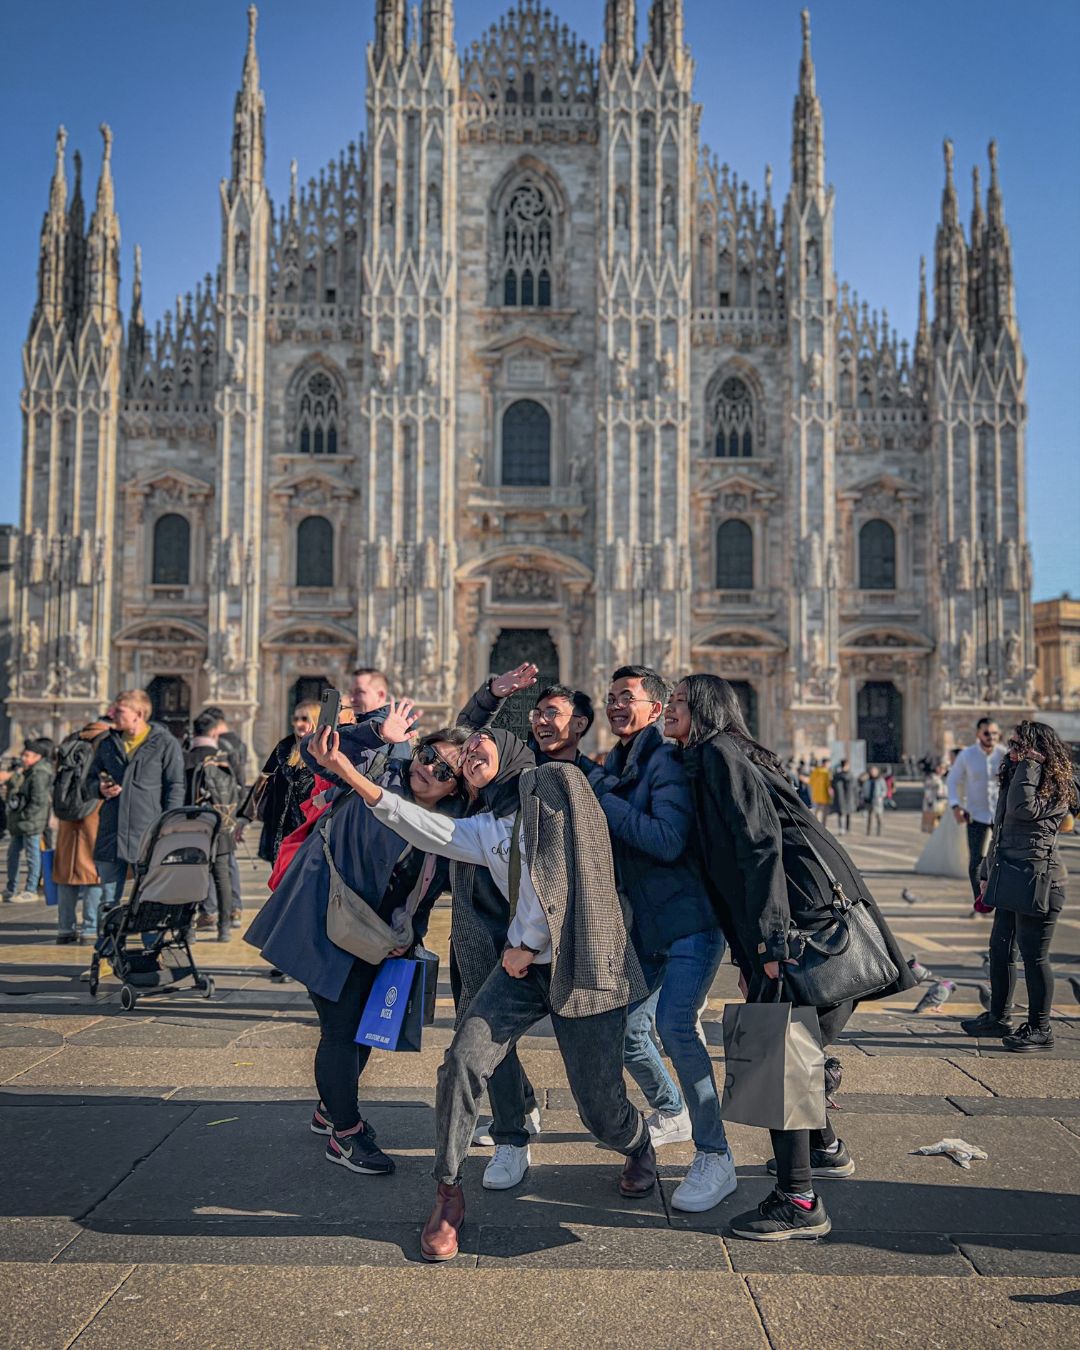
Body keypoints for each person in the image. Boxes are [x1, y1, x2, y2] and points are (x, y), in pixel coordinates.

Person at [312, 723, 654, 1263]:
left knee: (599, 1108)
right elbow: (423, 826)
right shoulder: (485, 822)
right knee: (462, 1062)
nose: (469, 754)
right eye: (464, 751)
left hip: (580, 961)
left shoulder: (555, 782)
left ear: (511, 749)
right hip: (519, 972)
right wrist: (349, 775)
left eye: (479, 745)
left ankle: (636, 1142)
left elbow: (573, 870)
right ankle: (447, 1193)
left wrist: (528, 942)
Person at [672, 674, 914, 1241]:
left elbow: (759, 847)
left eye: (679, 702)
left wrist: (770, 945)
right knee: (796, 1053)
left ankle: (798, 1202)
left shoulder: (717, 754)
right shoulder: (736, 751)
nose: (668, 710)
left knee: (777, 1059)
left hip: (797, 930)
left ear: (705, 709)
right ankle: (824, 1148)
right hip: (815, 922)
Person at [246, 701, 469, 1175]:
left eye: (445, 770)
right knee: (341, 1031)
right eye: (428, 755)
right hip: (325, 925)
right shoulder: (381, 773)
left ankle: (331, 1107)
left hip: (383, 940)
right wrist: (377, 733)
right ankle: (345, 1134)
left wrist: (408, 938)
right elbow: (318, 752)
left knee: (365, 1030)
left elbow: (422, 892)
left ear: (458, 786)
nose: (430, 768)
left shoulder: (450, 827)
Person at [593, 665, 734, 1213]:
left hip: (690, 923)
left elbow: (669, 839)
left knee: (676, 1026)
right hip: (651, 925)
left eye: (627, 697)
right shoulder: (622, 760)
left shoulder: (666, 760)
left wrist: (605, 802)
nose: (615, 706)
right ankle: (672, 1107)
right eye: (610, 698)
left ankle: (716, 1155)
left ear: (655, 709)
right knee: (628, 1028)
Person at [960, 721, 1078, 1052]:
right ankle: (999, 1016)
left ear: (1038, 752)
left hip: (1040, 878)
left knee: (1034, 955)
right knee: (1000, 948)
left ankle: (1041, 1028)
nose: (1011, 752)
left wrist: (1030, 764)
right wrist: (985, 870)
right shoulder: (1017, 778)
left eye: (1018, 747)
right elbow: (1000, 829)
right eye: (1012, 747)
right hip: (1011, 874)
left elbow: (1022, 810)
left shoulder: (1057, 785)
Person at [89, 690, 186, 915]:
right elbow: (89, 781)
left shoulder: (164, 743)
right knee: (108, 899)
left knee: (150, 896)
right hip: (112, 832)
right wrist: (99, 788)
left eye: (119, 711)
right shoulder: (107, 743)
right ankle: (109, 945)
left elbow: (175, 786)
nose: (111, 714)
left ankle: (150, 945)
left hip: (148, 833)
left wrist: (169, 827)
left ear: (138, 714)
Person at [53, 716, 113, 942]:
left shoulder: (69, 741)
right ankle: (89, 927)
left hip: (67, 814)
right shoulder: (106, 742)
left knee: (66, 872)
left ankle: (65, 928)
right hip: (94, 809)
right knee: (93, 871)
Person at [185, 709, 239, 943]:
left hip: (191, 825)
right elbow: (240, 791)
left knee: (190, 875)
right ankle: (224, 927)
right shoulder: (226, 758)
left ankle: (188, 929)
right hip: (221, 824)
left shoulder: (185, 759)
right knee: (222, 876)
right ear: (215, 731)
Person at [253, 702, 321, 864]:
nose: (298, 724)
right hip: (282, 830)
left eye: (304, 719)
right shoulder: (284, 747)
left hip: (312, 829)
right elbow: (264, 780)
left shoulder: (326, 749)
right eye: (295, 719)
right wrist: (245, 817)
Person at [948, 717, 1006, 902]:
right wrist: (956, 805)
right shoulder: (967, 755)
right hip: (976, 814)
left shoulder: (1005, 754)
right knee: (976, 859)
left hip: (1002, 815)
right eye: (987, 733)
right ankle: (979, 900)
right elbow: (952, 780)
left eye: (995, 733)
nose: (991, 737)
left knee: (1003, 857)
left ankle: (1001, 897)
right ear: (978, 734)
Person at [2, 739, 54, 902]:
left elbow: (38, 800)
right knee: (13, 855)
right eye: (24, 754)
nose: (24, 758)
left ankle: (30, 889)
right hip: (21, 821)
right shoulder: (28, 771)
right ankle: (11, 889)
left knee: (32, 856)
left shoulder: (39, 773)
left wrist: (26, 816)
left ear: (37, 756)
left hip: (31, 822)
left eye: (27, 755)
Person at [831, 759, 855, 835]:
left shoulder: (850, 775)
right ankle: (841, 829)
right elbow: (833, 785)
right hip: (841, 797)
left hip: (848, 797)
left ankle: (847, 829)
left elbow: (854, 787)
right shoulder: (838, 776)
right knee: (840, 813)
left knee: (848, 814)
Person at [862, 766, 886, 835]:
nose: (873, 773)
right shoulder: (868, 780)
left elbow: (884, 790)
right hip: (869, 801)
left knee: (879, 817)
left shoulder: (880, 780)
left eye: (874, 771)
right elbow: (864, 789)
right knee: (869, 818)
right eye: (871, 771)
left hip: (877, 802)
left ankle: (879, 832)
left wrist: (881, 796)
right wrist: (864, 797)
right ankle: (868, 832)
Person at [809, 759, 832, 827]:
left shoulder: (815, 771)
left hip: (816, 794)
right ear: (825, 763)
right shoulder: (826, 772)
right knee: (824, 812)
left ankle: (816, 825)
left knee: (817, 811)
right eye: (828, 763)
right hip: (824, 795)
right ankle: (823, 826)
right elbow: (829, 785)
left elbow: (811, 782)